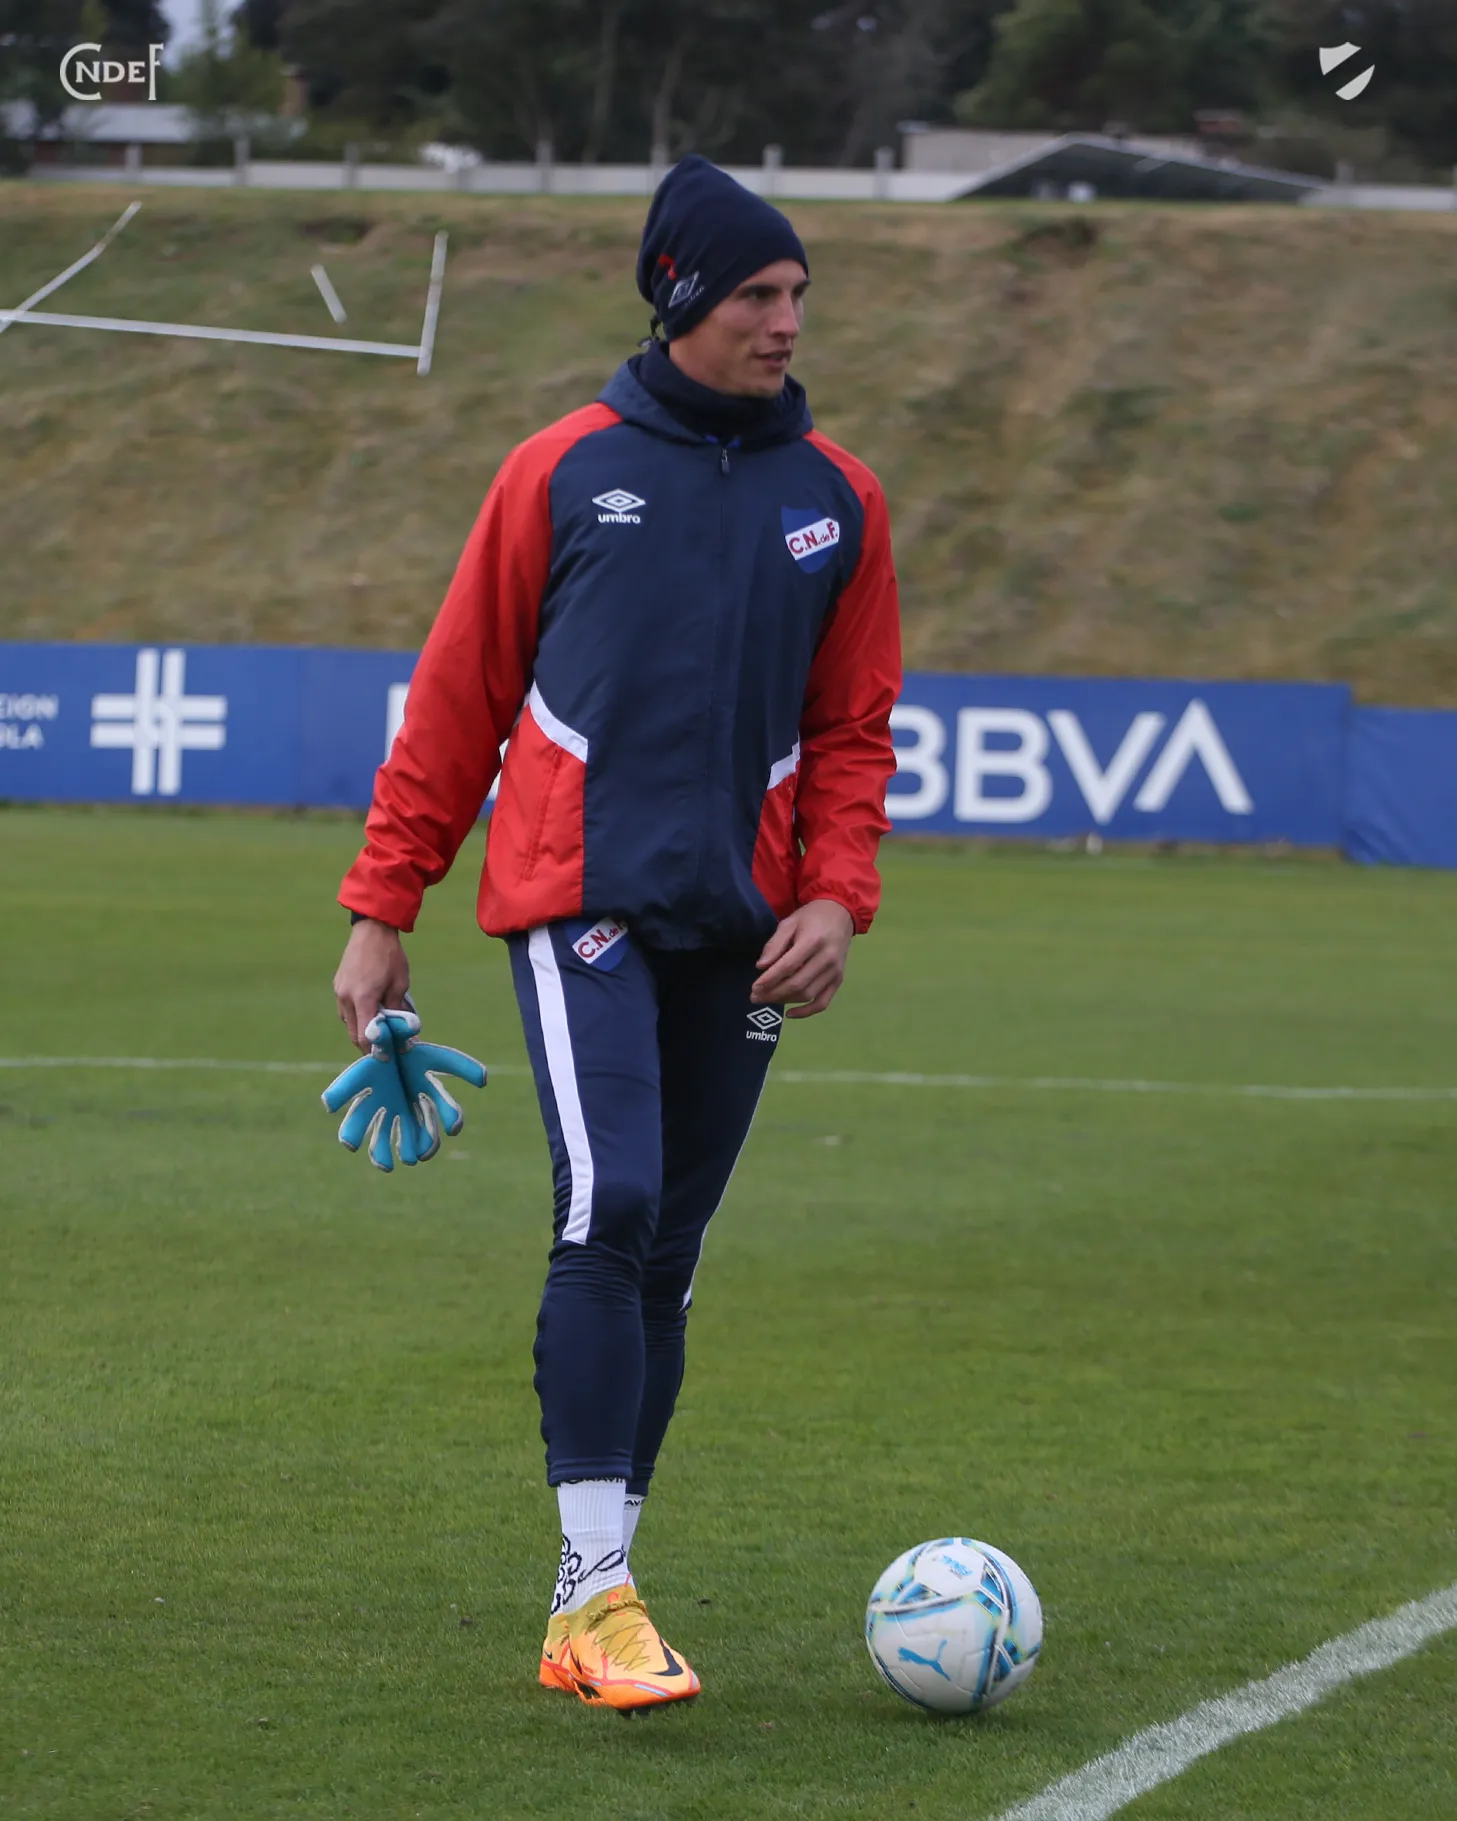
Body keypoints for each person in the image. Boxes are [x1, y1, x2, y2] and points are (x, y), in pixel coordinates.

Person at [332, 155, 902, 1712]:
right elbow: (457, 700)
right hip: (574, 897)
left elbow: (853, 730)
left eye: (797, 295)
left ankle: (596, 1602)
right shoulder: (560, 472)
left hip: (746, 927)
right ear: (679, 298)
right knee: (612, 1200)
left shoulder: (839, 499)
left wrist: (836, 895)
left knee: (670, 1248)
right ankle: (596, 1591)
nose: (787, 321)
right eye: (757, 294)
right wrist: (384, 906)